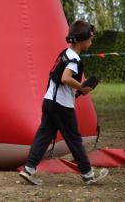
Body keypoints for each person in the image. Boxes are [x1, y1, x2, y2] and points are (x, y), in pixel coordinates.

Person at [19, 20, 108, 185]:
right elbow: (65, 78)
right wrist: (82, 86)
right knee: (74, 139)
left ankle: (29, 169)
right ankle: (88, 175)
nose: (91, 42)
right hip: (61, 106)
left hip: (49, 101)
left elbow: (60, 78)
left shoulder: (64, 54)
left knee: (44, 135)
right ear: (82, 41)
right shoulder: (74, 59)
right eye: (90, 39)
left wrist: (80, 89)